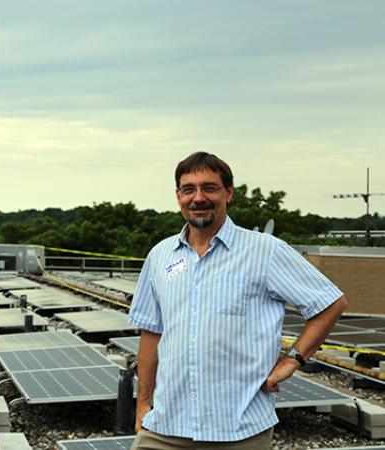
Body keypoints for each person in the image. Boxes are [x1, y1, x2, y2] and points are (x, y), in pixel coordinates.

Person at [128, 152, 347, 450]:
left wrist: (293, 359)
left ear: (228, 193)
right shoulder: (160, 256)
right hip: (166, 426)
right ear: (178, 196)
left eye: (210, 187)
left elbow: (330, 303)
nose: (198, 197)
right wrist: (143, 403)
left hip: (238, 429)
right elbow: (151, 333)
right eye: (188, 189)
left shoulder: (264, 251)